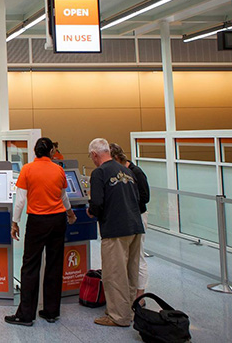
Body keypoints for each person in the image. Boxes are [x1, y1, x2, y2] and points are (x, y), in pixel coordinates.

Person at [5, 137, 77, 327]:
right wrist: (70, 214)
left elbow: (20, 200)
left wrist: (15, 223)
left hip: (37, 222)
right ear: (51, 152)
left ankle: (26, 314)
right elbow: (64, 197)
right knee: (54, 265)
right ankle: (51, 311)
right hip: (58, 220)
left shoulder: (27, 169)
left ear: (34, 152)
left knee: (30, 266)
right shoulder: (59, 170)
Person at [86, 138, 144, 328]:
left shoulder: (99, 173)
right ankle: (129, 311)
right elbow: (138, 198)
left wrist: (91, 211)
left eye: (91, 156)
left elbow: (97, 203)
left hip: (115, 229)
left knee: (114, 273)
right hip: (135, 226)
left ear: (95, 154)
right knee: (130, 272)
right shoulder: (127, 170)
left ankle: (118, 316)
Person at [110, 142, 150, 300]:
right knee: (126, 258)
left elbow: (145, 197)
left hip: (137, 216)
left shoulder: (136, 172)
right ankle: (129, 292)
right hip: (126, 217)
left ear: (117, 158)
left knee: (138, 257)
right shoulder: (121, 173)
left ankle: (140, 295)